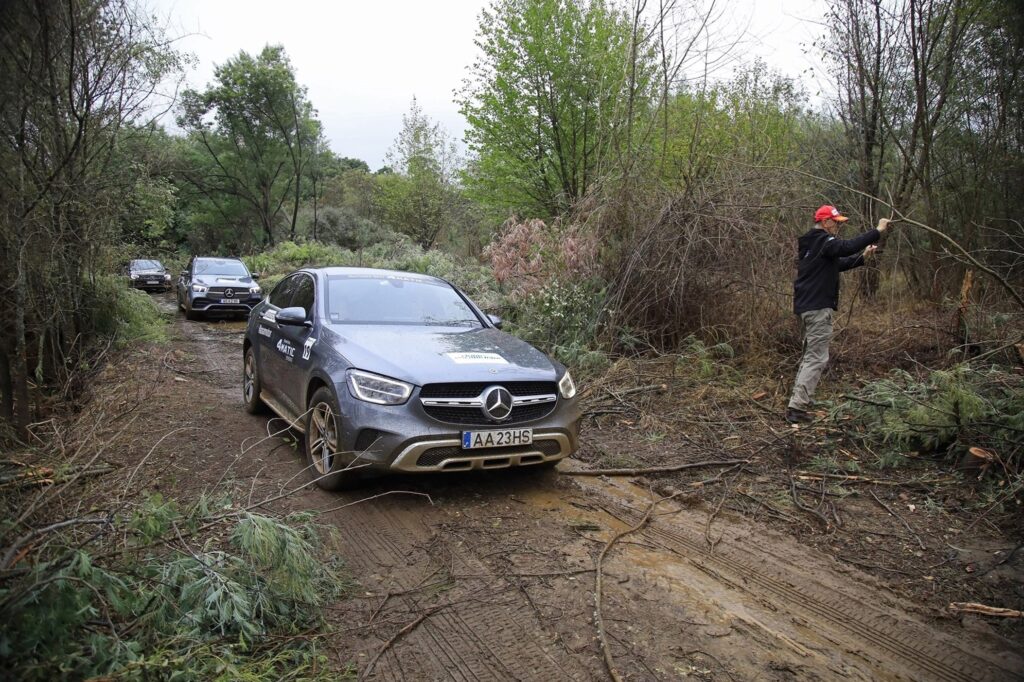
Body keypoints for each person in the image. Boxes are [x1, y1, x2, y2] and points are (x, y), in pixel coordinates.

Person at [786, 205, 891, 424]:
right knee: (817, 357)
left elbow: (838, 264)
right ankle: (796, 408)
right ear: (825, 222)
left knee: (810, 356)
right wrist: (877, 231)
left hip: (806, 308)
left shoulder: (812, 244)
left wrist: (862, 258)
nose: (838, 226)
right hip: (817, 309)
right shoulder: (824, 241)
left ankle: (798, 402)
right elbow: (846, 247)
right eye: (836, 222)